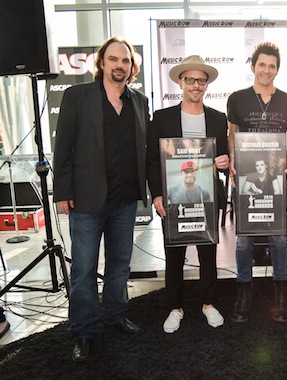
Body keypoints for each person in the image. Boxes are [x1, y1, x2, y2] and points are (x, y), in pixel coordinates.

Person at [53, 37, 150, 362]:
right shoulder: (77, 96)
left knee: (120, 265)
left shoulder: (139, 100)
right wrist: (62, 191)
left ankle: (116, 314)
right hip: (86, 200)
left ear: (130, 66)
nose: (119, 65)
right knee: (83, 269)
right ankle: (83, 330)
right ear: (102, 63)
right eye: (113, 59)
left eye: (125, 61)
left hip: (124, 199)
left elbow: (144, 148)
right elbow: (63, 146)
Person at [147, 55, 229, 333]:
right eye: (190, 79)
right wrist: (157, 195)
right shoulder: (162, 118)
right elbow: (151, 160)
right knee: (174, 254)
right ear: (181, 82)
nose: (196, 85)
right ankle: (175, 307)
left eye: (201, 80)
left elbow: (224, 158)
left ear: (207, 84)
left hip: (206, 198)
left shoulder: (218, 119)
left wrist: (225, 161)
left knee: (208, 254)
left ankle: (208, 303)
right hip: (173, 199)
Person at [227, 41, 287, 323]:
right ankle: (243, 292)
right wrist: (233, 162)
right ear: (253, 66)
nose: (266, 70)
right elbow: (231, 134)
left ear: (277, 69)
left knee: (279, 238)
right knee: (244, 241)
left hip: (276, 181)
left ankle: (281, 292)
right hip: (247, 178)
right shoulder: (236, 98)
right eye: (262, 65)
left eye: (272, 66)